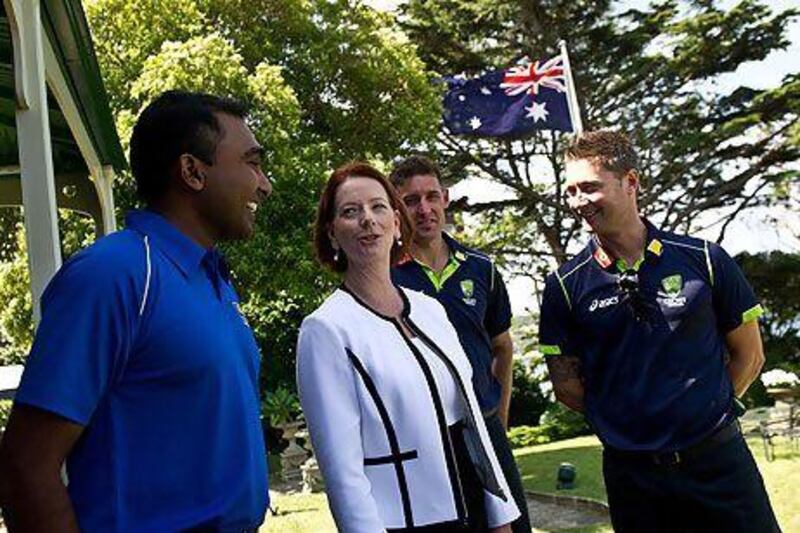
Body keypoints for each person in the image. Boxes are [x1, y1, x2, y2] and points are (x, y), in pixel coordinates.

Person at [0, 90, 273, 532]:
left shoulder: (213, 279)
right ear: (192, 171)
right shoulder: (113, 274)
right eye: (252, 163)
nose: (264, 184)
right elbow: (25, 467)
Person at [539, 130, 780, 532]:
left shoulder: (704, 259)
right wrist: (629, 425)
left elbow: (750, 354)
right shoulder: (564, 286)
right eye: (570, 191)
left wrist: (707, 410)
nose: (578, 202)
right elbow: (567, 387)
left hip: (720, 464)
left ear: (630, 182)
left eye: (589, 188)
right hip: (634, 479)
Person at [297, 162, 519, 531]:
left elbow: (474, 426)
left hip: (477, 510)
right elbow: (343, 476)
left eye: (378, 206)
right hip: (407, 522)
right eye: (350, 212)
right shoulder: (325, 330)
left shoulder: (431, 311)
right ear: (332, 233)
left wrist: (502, 519)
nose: (368, 219)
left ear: (397, 224)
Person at [389, 156, 532, 533]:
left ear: (446, 198)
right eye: (411, 200)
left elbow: (502, 346)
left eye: (431, 197)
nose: (424, 210)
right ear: (396, 207)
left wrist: (497, 421)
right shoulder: (383, 276)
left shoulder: (481, 268)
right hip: (426, 441)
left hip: (485, 430)